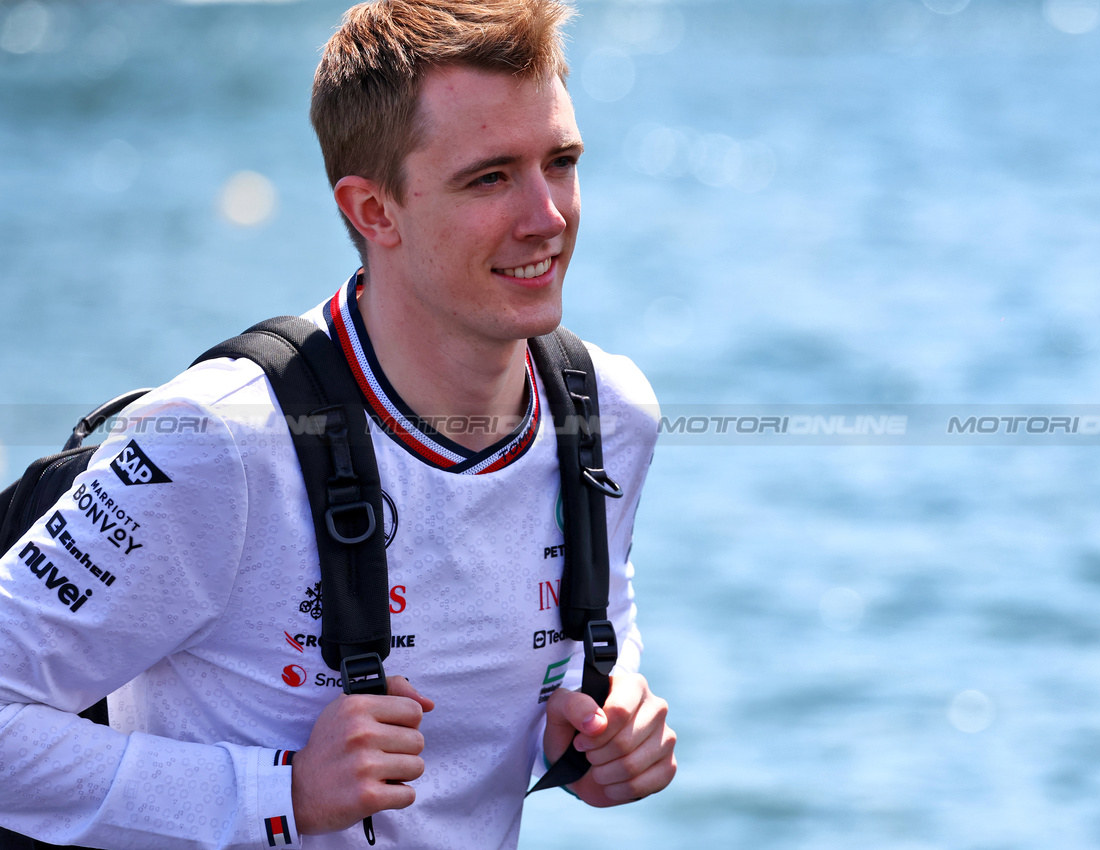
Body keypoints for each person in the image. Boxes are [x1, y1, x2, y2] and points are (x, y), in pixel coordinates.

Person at [0, 0, 676, 847]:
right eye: (490, 177)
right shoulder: (216, 440)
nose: (548, 216)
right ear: (373, 211)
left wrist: (605, 727)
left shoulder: (608, 412)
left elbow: (580, 641)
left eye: (562, 162)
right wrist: (280, 793)